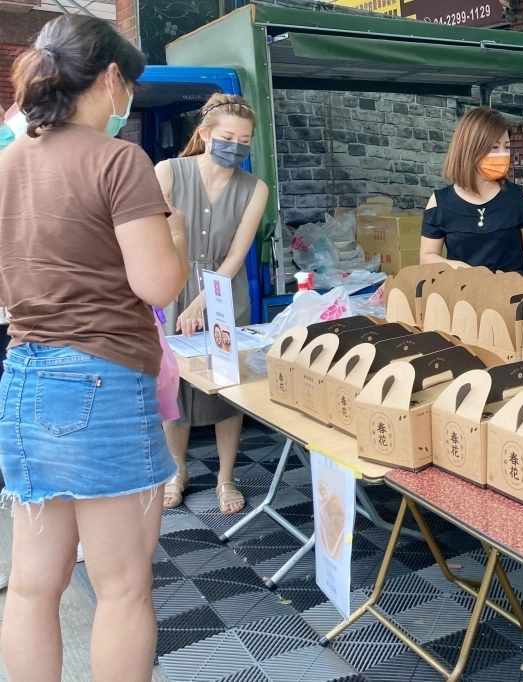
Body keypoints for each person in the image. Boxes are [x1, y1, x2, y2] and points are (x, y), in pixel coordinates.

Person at [0, 14, 190, 682]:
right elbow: (157, 282)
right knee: (121, 588)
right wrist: (179, 236)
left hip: (24, 375)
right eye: (128, 84)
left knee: (30, 585)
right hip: (104, 380)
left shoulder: (9, 161)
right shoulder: (118, 159)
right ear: (112, 78)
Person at [155, 93, 269, 514]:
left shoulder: (255, 188)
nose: (235, 146)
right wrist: (176, 297)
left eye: (244, 140)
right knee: (173, 384)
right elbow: (150, 235)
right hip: (169, 284)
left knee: (226, 384)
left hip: (222, 293)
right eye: (227, 137)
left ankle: (226, 477)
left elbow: (236, 255)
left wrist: (201, 303)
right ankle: (176, 470)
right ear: (204, 134)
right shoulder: (168, 171)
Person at [420, 106, 523, 272]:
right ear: (469, 150)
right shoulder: (440, 202)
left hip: (513, 293)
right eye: (494, 148)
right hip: (463, 293)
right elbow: (427, 257)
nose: (503, 155)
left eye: (506, 147)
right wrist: (456, 267)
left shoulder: (520, 197)